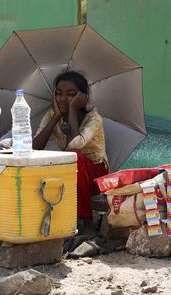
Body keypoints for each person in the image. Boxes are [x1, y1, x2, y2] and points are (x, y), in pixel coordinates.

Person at [33, 71, 108, 235]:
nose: (62, 98)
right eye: (58, 93)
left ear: (82, 97)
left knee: (75, 157)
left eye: (70, 94)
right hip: (70, 170)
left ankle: (87, 225)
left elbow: (75, 145)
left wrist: (73, 109)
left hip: (96, 175)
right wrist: (56, 117)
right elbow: (34, 148)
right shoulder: (52, 115)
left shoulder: (93, 118)